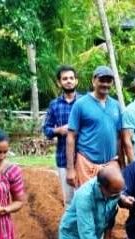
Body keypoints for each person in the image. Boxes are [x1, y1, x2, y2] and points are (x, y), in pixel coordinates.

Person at [66, 65, 122, 188]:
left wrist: (121, 164)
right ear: (93, 81)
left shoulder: (116, 106)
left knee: (109, 204)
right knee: (87, 202)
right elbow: (71, 137)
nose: (105, 84)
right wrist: (70, 169)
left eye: (109, 81)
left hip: (110, 165)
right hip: (86, 164)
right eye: (102, 80)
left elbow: (119, 138)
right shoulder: (80, 104)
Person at [43, 65, 82, 205]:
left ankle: (85, 227)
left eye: (71, 78)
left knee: (84, 199)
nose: (69, 81)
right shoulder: (54, 105)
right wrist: (59, 130)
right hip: (63, 158)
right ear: (59, 83)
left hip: (85, 158)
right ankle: (70, 227)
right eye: (65, 79)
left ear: (76, 81)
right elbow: (46, 130)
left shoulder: (85, 102)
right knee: (69, 201)